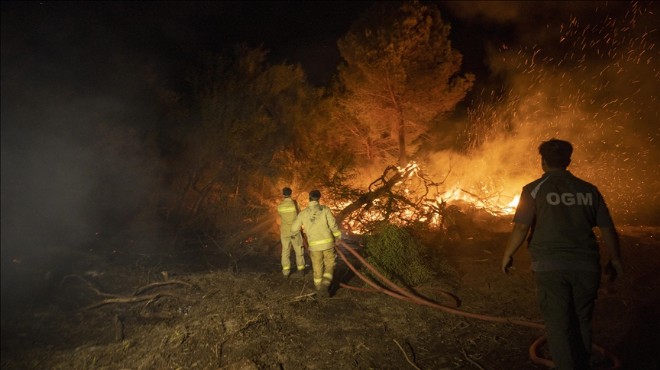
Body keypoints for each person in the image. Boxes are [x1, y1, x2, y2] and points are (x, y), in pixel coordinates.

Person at [501, 139, 623, 370]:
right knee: (582, 320)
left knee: (558, 324)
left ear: (543, 162)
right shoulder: (589, 190)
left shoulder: (533, 189)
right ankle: (582, 363)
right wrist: (616, 259)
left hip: (550, 267)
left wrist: (508, 254)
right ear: (568, 161)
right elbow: (607, 228)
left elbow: (520, 227)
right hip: (586, 265)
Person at [291, 190, 342, 297]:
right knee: (330, 265)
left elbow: (294, 228)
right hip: (328, 244)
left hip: (314, 246)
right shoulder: (325, 210)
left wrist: (293, 234)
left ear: (309, 198)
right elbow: (332, 224)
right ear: (319, 198)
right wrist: (338, 236)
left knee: (317, 266)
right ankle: (325, 285)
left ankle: (318, 288)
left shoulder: (303, 213)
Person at [277, 187, 305, 278]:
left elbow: (281, 216)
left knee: (285, 251)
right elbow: (299, 215)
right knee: (298, 250)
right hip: (294, 231)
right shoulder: (295, 204)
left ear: (283, 194)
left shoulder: (280, 206)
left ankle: (286, 272)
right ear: (291, 193)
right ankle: (301, 270)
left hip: (284, 231)